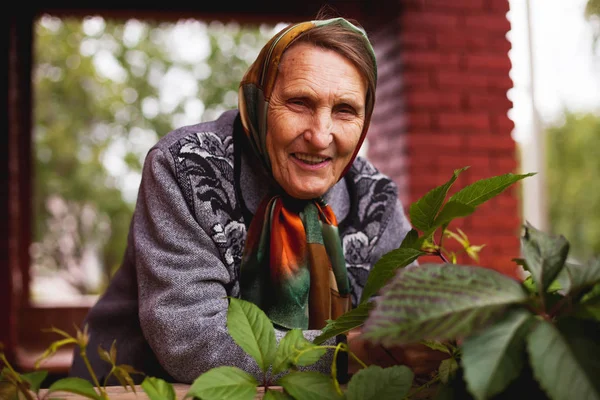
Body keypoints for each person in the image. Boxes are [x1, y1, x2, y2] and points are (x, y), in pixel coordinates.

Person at [69, 11, 447, 386]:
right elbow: (190, 341)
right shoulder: (185, 168)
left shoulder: (373, 197)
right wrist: (350, 353)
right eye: (300, 102)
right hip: (129, 389)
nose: (320, 135)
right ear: (259, 103)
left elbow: (408, 316)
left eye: (345, 110)